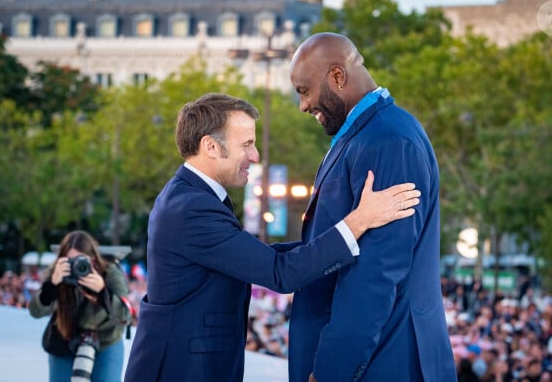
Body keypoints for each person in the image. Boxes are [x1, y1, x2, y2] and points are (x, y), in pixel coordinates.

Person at [124, 92, 421, 382]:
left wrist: (346, 231)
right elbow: (281, 273)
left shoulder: (190, 197)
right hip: (181, 369)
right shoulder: (192, 208)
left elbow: (266, 256)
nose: (255, 156)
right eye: (247, 145)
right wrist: (359, 221)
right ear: (211, 146)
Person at [287, 32, 456, 381]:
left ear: (337, 76)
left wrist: (331, 370)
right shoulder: (364, 134)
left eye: (305, 91)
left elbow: (376, 276)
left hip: (381, 363)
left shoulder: (389, 140)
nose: (303, 105)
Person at [29, 230, 132, 382]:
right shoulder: (57, 273)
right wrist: (52, 286)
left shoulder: (109, 272)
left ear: (92, 259)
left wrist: (103, 292)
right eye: (70, 261)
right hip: (65, 337)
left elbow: (126, 315)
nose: (76, 266)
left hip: (106, 339)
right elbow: (35, 311)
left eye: (81, 261)